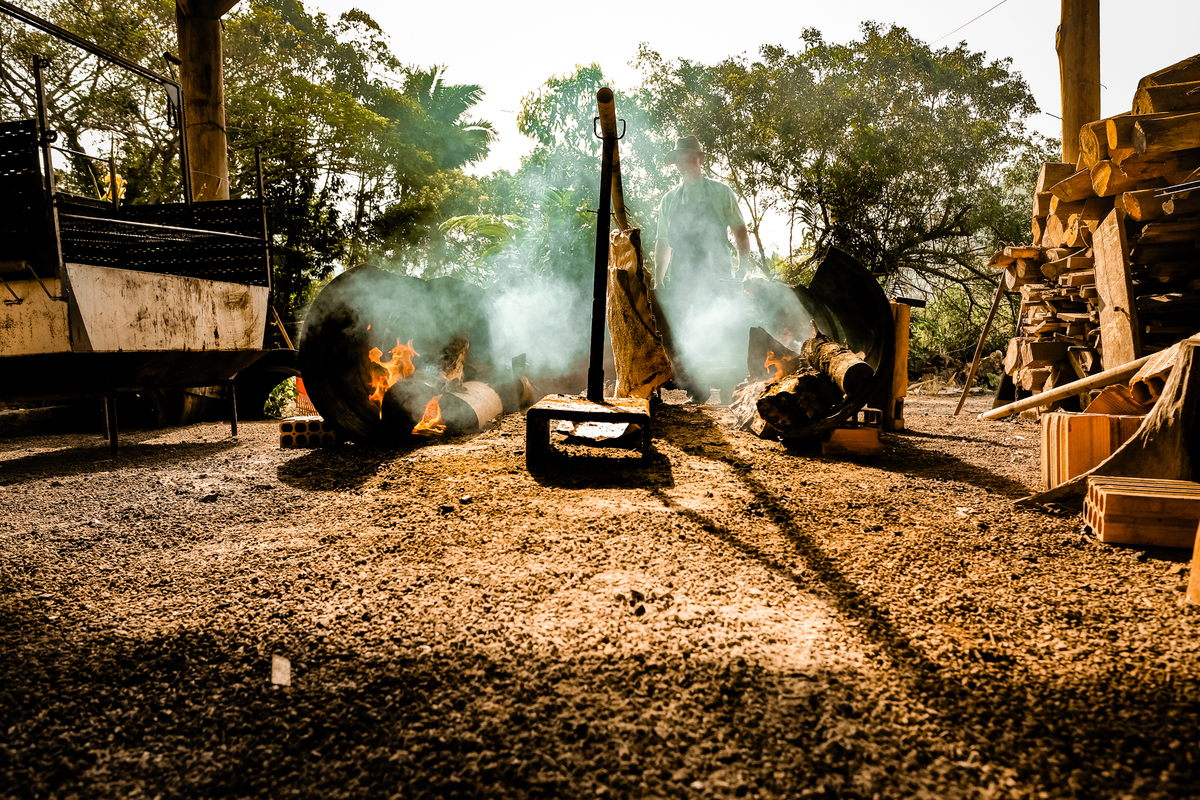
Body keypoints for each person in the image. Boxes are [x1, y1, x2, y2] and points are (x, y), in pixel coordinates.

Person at [653, 135, 754, 402]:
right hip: (682, 275)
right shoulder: (669, 200)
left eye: (689, 158)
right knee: (686, 331)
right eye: (679, 160)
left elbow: (740, 233)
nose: (684, 164)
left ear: (699, 159)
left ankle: (729, 389)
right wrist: (659, 280)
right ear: (676, 164)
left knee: (723, 327)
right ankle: (697, 390)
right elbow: (663, 243)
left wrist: (742, 270)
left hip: (717, 272)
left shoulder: (721, 192)